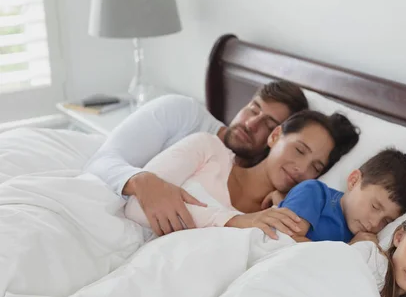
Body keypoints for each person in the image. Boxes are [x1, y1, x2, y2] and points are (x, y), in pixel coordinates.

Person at [86, 81, 309, 230]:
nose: (251, 124)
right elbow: (100, 161)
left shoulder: (257, 192)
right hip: (99, 209)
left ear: (276, 137)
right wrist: (142, 181)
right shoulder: (183, 113)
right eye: (253, 109)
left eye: (268, 124)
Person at [124, 110, 360, 238]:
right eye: (299, 150)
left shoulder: (277, 221)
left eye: (315, 168)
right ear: (275, 136)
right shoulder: (208, 149)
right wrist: (235, 221)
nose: (302, 169)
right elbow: (136, 205)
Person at [276, 148, 406, 244]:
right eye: (375, 206)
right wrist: (349, 249)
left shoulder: (365, 240)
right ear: (354, 181)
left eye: (386, 221)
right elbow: (286, 243)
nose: (374, 223)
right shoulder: (314, 193)